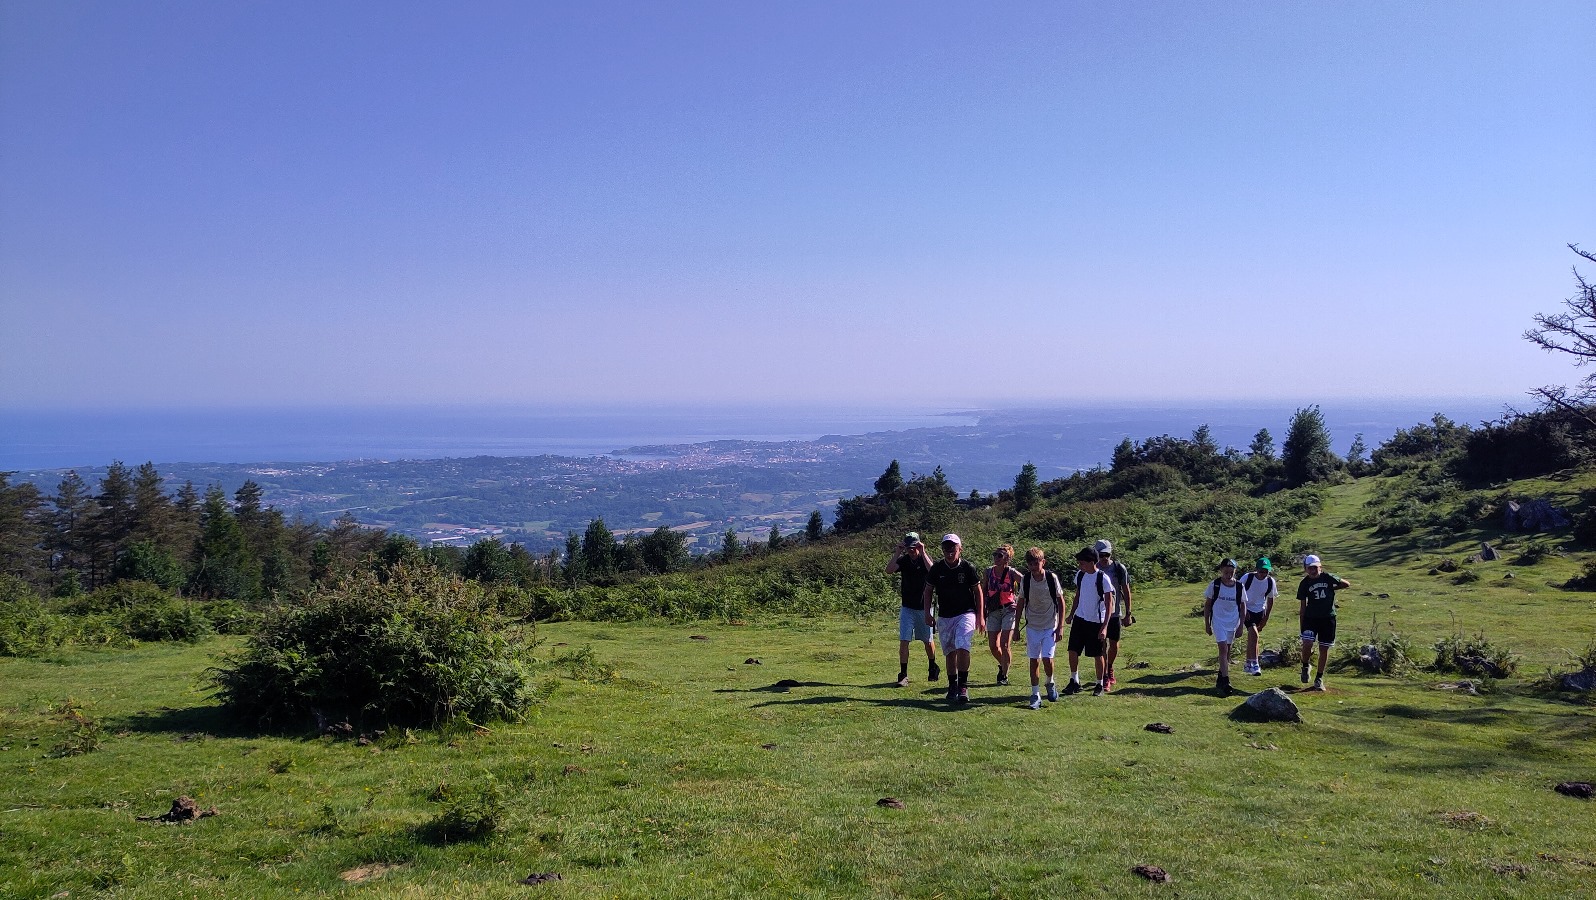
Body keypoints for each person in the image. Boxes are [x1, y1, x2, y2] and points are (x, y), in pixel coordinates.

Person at [923, 533, 985, 703]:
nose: (950, 552)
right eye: (946, 549)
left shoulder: (967, 567)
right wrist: (927, 613)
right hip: (945, 615)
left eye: (953, 548)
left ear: (960, 549)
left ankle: (963, 686)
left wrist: (980, 616)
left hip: (966, 613)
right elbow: (928, 590)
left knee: (963, 646)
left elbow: (977, 591)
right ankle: (952, 686)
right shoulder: (937, 568)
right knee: (950, 652)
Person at [885, 532, 939, 687]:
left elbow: (933, 572)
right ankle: (903, 675)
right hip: (907, 607)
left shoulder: (924, 560)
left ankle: (932, 666)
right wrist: (897, 552)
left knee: (927, 641)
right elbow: (888, 570)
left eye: (914, 547)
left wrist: (923, 552)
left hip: (924, 607)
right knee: (904, 640)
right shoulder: (904, 561)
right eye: (909, 547)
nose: (911, 550)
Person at [1018, 547, 1066, 709]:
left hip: (1049, 625)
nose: (1033, 567)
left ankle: (1050, 682)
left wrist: (1060, 626)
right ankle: (1035, 694)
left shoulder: (1051, 578)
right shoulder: (1026, 579)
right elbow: (1021, 603)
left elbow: (1061, 602)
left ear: (1043, 562)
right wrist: (1016, 627)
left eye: (1036, 563)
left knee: (1047, 659)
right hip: (1032, 626)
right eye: (1030, 564)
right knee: (1034, 660)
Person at [1064, 546, 1115, 696]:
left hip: (1096, 621)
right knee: (1072, 650)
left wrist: (1104, 627)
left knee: (1097, 654)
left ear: (1092, 562)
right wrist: (1071, 614)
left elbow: (1109, 603)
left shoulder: (1102, 578)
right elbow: (1078, 596)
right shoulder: (1080, 575)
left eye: (1082, 563)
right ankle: (1075, 681)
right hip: (1080, 619)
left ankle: (1099, 684)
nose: (1080, 566)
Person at [1297, 554, 1352, 691]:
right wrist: (1302, 625)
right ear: (1305, 569)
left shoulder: (1328, 577)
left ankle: (1319, 678)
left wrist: (1332, 588)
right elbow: (1303, 606)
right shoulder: (1304, 584)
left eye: (1315, 568)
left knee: (1324, 648)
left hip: (1328, 618)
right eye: (1310, 568)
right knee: (1307, 643)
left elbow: (1346, 584)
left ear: (1320, 567)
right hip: (1311, 618)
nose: (1313, 571)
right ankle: (1305, 665)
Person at [1094, 539, 1134, 690]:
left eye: (1107, 554)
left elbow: (1126, 590)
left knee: (1114, 644)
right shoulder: (1094, 569)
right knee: (1101, 645)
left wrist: (1128, 613)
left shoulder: (1118, 568)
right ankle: (1104, 675)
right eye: (1101, 554)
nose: (1104, 558)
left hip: (1116, 613)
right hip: (1099, 614)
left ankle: (1109, 667)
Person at [1204, 559, 1247, 695]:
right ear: (1221, 570)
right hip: (1218, 621)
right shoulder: (1215, 585)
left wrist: (1241, 625)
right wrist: (1207, 624)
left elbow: (1243, 606)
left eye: (1231, 572)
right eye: (1226, 571)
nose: (1229, 574)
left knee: (1227, 651)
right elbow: (1208, 604)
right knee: (1222, 648)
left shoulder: (1239, 587)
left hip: (1233, 622)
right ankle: (1227, 681)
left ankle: (1221, 676)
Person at [983, 544, 1022, 686]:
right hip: (993, 610)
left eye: (1000, 555)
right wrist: (981, 611)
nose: (996, 557)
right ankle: (1003, 664)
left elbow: (1027, 583)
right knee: (993, 646)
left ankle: (1004, 675)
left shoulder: (1012, 573)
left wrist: (1022, 601)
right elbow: (983, 590)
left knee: (1005, 644)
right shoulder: (988, 572)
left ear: (1008, 558)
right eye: (995, 554)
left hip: (1009, 610)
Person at [1241, 557, 1278, 676]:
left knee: (1254, 638)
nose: (1263, 574)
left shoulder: (1270, 581)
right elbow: (1237, 591)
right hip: (1247, 610)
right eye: (1261, 571)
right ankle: (1255, 663)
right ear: (1256, 569)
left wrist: (1266, 618)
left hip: (1260, 611)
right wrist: (1243, 610)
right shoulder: (1248, 577)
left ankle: (1248, 664)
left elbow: (1271, 600)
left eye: (1266, 571)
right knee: (1254, 634)